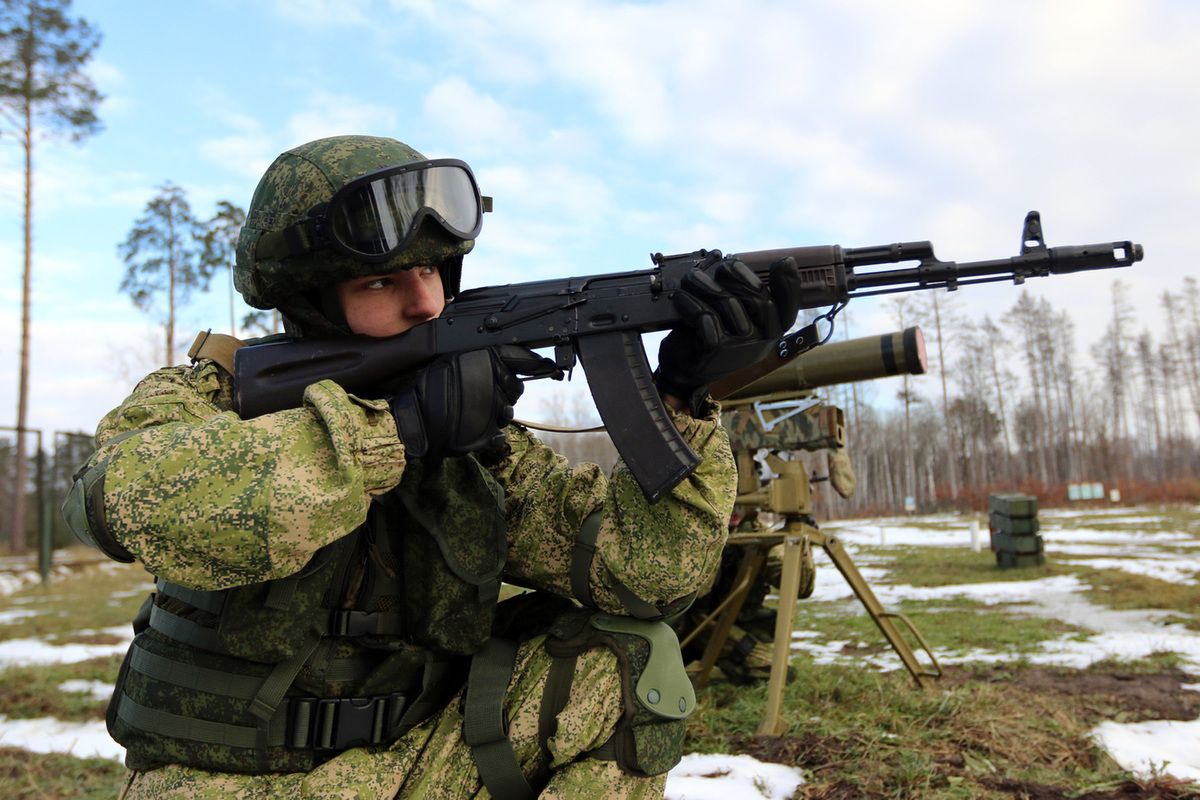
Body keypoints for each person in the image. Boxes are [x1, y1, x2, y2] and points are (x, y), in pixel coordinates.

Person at [64, 135, 803, 799]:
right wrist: (396, 432)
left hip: (421, 762)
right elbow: (122, 502)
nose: (426, 302)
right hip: (224, 783)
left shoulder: (474, 445)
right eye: (382, 283)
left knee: (628, 657)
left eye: (431, 271)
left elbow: (646, 574)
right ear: (310, 303)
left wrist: (682, 398)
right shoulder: (207, 401)